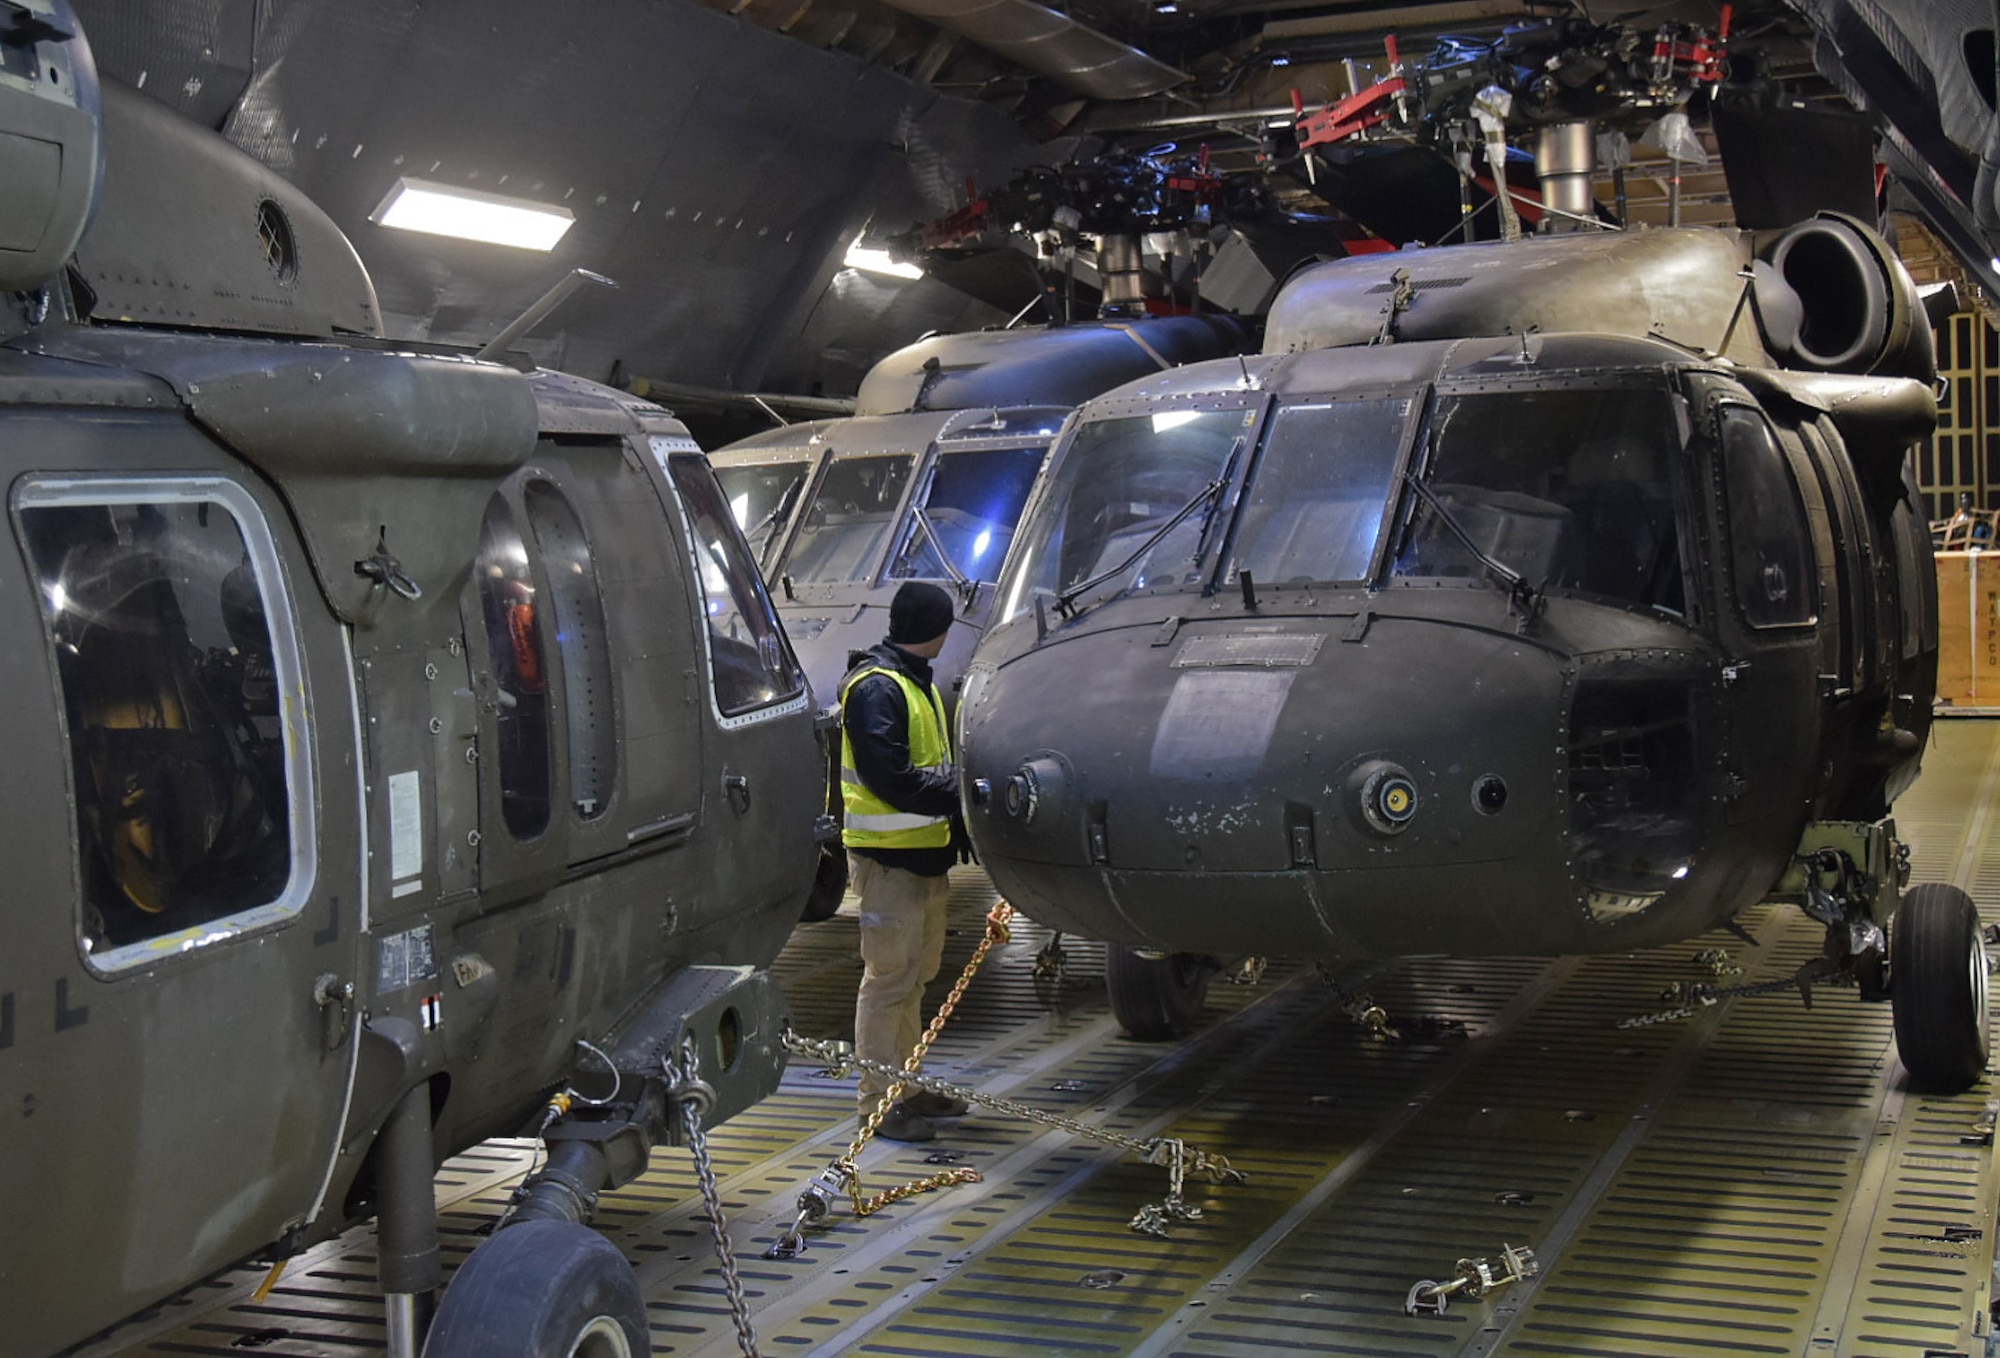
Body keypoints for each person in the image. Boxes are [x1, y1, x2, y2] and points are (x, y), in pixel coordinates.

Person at [840, 580, 973, 1142]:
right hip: (890, 864)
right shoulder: (877, 688)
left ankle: (906, 1087)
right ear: (938, 632)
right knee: (888, 980)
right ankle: (876, 1101)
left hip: (922, 860)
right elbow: (890, 777)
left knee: (914, 978)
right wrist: (962, 792)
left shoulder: (915, 683)